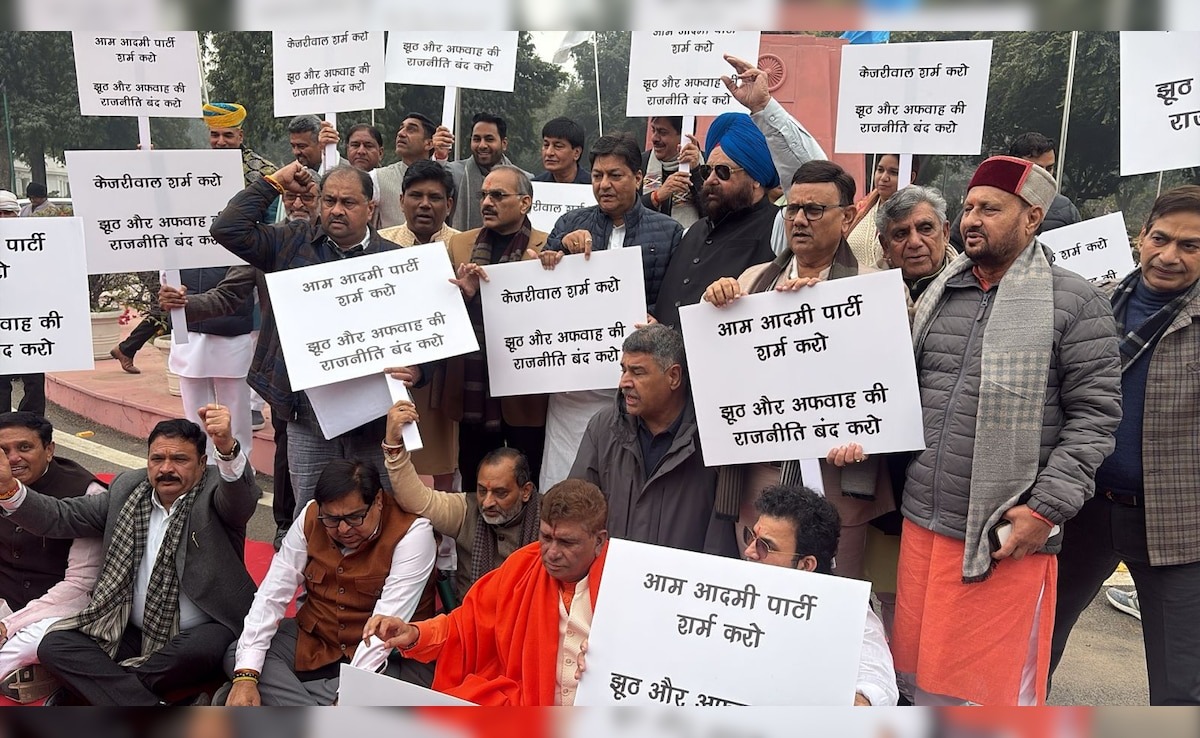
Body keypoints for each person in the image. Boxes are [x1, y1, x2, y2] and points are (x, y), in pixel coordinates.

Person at [893, 155, 1122, 706]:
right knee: (917, 682)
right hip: (924, 523)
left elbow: (1096, 419)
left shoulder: (1074, 300)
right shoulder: (940, 292)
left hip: (1004, 534)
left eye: (989, 209)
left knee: (983, 695)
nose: (972, 219)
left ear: (1032, 217)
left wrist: (1043, 510)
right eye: (968, 208)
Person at [702, 160, 894, 581]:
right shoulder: (754, 283)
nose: (799, 219)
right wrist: (714, 303)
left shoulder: (873, 288)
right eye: (792, 208)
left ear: (847, 217)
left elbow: (888, 387)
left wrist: (866, 434)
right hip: (758, 482)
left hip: (839, 481)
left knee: (829, 610)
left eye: (814, 210)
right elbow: (724, 372)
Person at [1049, 185, 1200, 706]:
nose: (1169, 256)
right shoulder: (1094, 301)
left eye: (1190, 246)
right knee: (1031, 648)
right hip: (1080, 509)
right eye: (1160, 238)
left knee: (1181, 684)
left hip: (1177, 524)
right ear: (1140, 236)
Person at [209, 161, 427, 518]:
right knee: (311, 513)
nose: (336, 210)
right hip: (306, 412)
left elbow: (425, 334)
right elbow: (227, 228)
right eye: (329, 201)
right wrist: (274, 182)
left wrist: (417, 371)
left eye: (348, 202)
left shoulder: (395, 261)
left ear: (371, 208)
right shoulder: (289, 244)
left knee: (382, 513)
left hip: (374, 418)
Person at [0, 407, 260, 706]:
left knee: (203, 649)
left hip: (202, 629)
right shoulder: (128, 489)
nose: (166, 469)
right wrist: (9, 490)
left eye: (180, 459)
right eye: (157, 459)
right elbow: (63, 517)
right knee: (55, 646)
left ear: (202, 463)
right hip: (127, 626)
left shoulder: (216, 492)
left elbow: (241, 501)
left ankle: (87, 691)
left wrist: (226, 449)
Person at [159, 175, 319, 548]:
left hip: (340, 365)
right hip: (284, 367)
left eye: (306, 196)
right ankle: (282, 524)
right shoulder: (270, 245)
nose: (297, 203)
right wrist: (186, 305)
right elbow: (230, 294)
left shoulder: (349, 246)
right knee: (290, 446)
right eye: (290, 197)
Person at [362, 479, 609, 706]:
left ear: (599, 541)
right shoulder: (521, 567)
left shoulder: (626, 581)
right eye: (546, 537)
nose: (552, 552)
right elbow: (463, 627)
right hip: (524, 714)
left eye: (566, 542)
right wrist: (414, 633)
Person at [221, 458, 436, 706]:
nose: (343, 529)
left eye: (355, 518)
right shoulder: (312, 515)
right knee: (239, 657)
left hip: (387, 656)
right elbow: (272, 594)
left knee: (398, 692)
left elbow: (383, 631)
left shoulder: (413, 533)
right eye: (332, 519)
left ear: (378, 501)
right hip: (318, 639)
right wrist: (246, 678)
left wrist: (346, 698)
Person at [536, 132, 684, 490]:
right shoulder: (569, 224)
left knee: (620, 480)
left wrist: (657, 327)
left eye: (615, 175)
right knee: (565, 483)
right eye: (598, 175)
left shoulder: (668, 232)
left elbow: (672, 301)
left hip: (634, 380)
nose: (604, 185)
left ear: (637, 178)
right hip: (574, 384)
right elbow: (541, 284)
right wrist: (557, 253)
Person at [111, 101, 279, 375]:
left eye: (228, 135)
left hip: (244, 262)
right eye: (215, 135)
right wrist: (147, 163)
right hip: (198, 257)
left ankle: (251, 401)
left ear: (241, 136)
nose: (221, 142)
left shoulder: (264, 172)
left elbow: (272, 223)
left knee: (249, 332)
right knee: (185, 311)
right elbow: (167, 190)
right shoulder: (194, 167)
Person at [570, 324, 738, 556]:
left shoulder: (716, 434)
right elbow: (577, 512)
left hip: (681, 585)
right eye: (623, 370)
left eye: (638, 372)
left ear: (673, 376)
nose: (624, 383)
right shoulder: (603, 427)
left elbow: (720, 538)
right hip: (610, 579)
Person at [742, 484, 899, 706]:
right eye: (751, 536)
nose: (749, 551)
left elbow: (876, 680)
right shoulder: (723, 589)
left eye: (766, 546)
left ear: (806, 564)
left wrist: (861, 701)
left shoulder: (846, 610)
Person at [443, 165, 548, 494]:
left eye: (498, 195)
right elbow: (443, 316)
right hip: (473, 392)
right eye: (483, 195)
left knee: (525, 481)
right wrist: (466, 297)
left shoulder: (545, 249)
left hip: (524, 391)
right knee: (475, 483)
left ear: (524, 203)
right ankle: (474, 546)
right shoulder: (460, 245)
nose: (487, 202)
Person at [383, 400, 541, 603]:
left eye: (501, 493)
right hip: (469, 625)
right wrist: (394, 447)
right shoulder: (467, 509)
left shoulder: (548, 517)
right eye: (482, 490)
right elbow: (417, 500)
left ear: (525, 491)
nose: (488, 502)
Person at [0, 413, 104, 703]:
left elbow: (82, 586)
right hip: (6, 601)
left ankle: (37, 666)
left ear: (49, 450)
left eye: (24, 447)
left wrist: (10, 626)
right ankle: (41, 674)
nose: (13, 458)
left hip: (59, 610)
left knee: (34, 643)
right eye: (4, 450)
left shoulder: (87, 493)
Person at [378, 160, 462, 491]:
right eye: (415, 195)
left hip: (445, 369)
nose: (424, 204)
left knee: (444, 461)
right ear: (401, 201)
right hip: (390, 367)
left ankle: (442, 537)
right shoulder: (379, 244)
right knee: (390, 451)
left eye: (434, 197)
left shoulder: (464, 246)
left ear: (450, 204)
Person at [949, 132, 1081, 252]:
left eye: (1049, 168)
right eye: (1037, 169)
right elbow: (956, 247)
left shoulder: (1065, 209)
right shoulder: (982, 204)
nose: (1044, 176)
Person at [874, 184, 958, 301]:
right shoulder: (867, 293)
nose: (914, 242)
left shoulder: (972, 287)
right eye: (901, 234)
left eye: (925, 229)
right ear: (886, 246)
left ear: (945, 233)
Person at [443, 113, 523, 232]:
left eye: (489, 139)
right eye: (476, 139)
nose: (482, 145)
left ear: (504, 144)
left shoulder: (523, 179)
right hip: (461, 248)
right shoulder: (452, 173)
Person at [846, 154, 920, 266]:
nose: (884, 178)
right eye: (880, 170)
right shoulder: (861, 209)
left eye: (894, 172)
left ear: (910, 177)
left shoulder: (919, 214)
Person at [375, 112, 438, 229]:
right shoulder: (377, 177)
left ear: (429, 143)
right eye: (401, 128)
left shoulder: (443, 178)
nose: (401, 134)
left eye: (411, 130)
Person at [641, 115, 705, 229]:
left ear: (685, 137)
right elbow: (625, 212)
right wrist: (656, 197)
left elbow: (714, 214)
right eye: (653, 130)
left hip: (691, 244)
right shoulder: (640, 164)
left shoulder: (707, 164)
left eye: (662, 132)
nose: (654, 138)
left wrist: (696, 172)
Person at [534, 117, 590, 184]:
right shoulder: (535, 186)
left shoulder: (593, 187)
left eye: (558, 146)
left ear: (576, 153)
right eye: (546, 145)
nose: (549, 152)